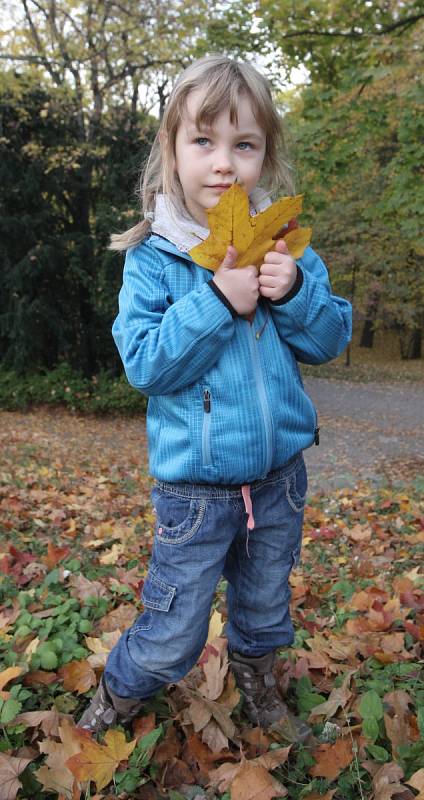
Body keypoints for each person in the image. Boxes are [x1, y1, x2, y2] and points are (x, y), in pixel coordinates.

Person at [78, 55, 352, 740]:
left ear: (266, 155)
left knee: (264, 608)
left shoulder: (281, 245)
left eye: (245, 144)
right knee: (175, 629)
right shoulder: (154, 256)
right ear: (171, 148)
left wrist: (291, 291)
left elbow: (329, 337)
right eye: (204, 140)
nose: (224, 163)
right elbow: (144, 362)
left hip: (279, 479)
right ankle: (118, 691)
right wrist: (213, 303)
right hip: (195, 492)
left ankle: (258, 679)